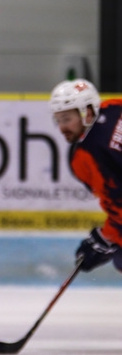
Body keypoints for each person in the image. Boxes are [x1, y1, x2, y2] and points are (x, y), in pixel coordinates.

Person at [49, 79, 122, 273]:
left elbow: (118, 206)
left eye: (67, 119)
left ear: (87, 113)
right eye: (58, 120)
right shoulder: (113, 106)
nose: (62, 127)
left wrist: (105, 238)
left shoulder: (86, 157)